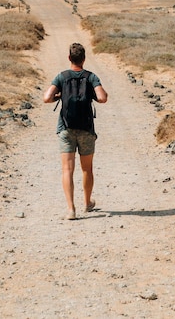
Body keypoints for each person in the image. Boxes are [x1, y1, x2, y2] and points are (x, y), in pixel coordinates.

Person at [43, 42, 108, 220]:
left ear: (69, 58)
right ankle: (87, 203)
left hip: (66, 128)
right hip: (86, 128)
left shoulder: (62, 77)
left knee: (67, 170)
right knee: (87, 169)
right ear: (84, 59)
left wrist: (59, 95)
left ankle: (71, 209)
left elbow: (46, 98)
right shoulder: (91, 77)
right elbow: (102, 98)